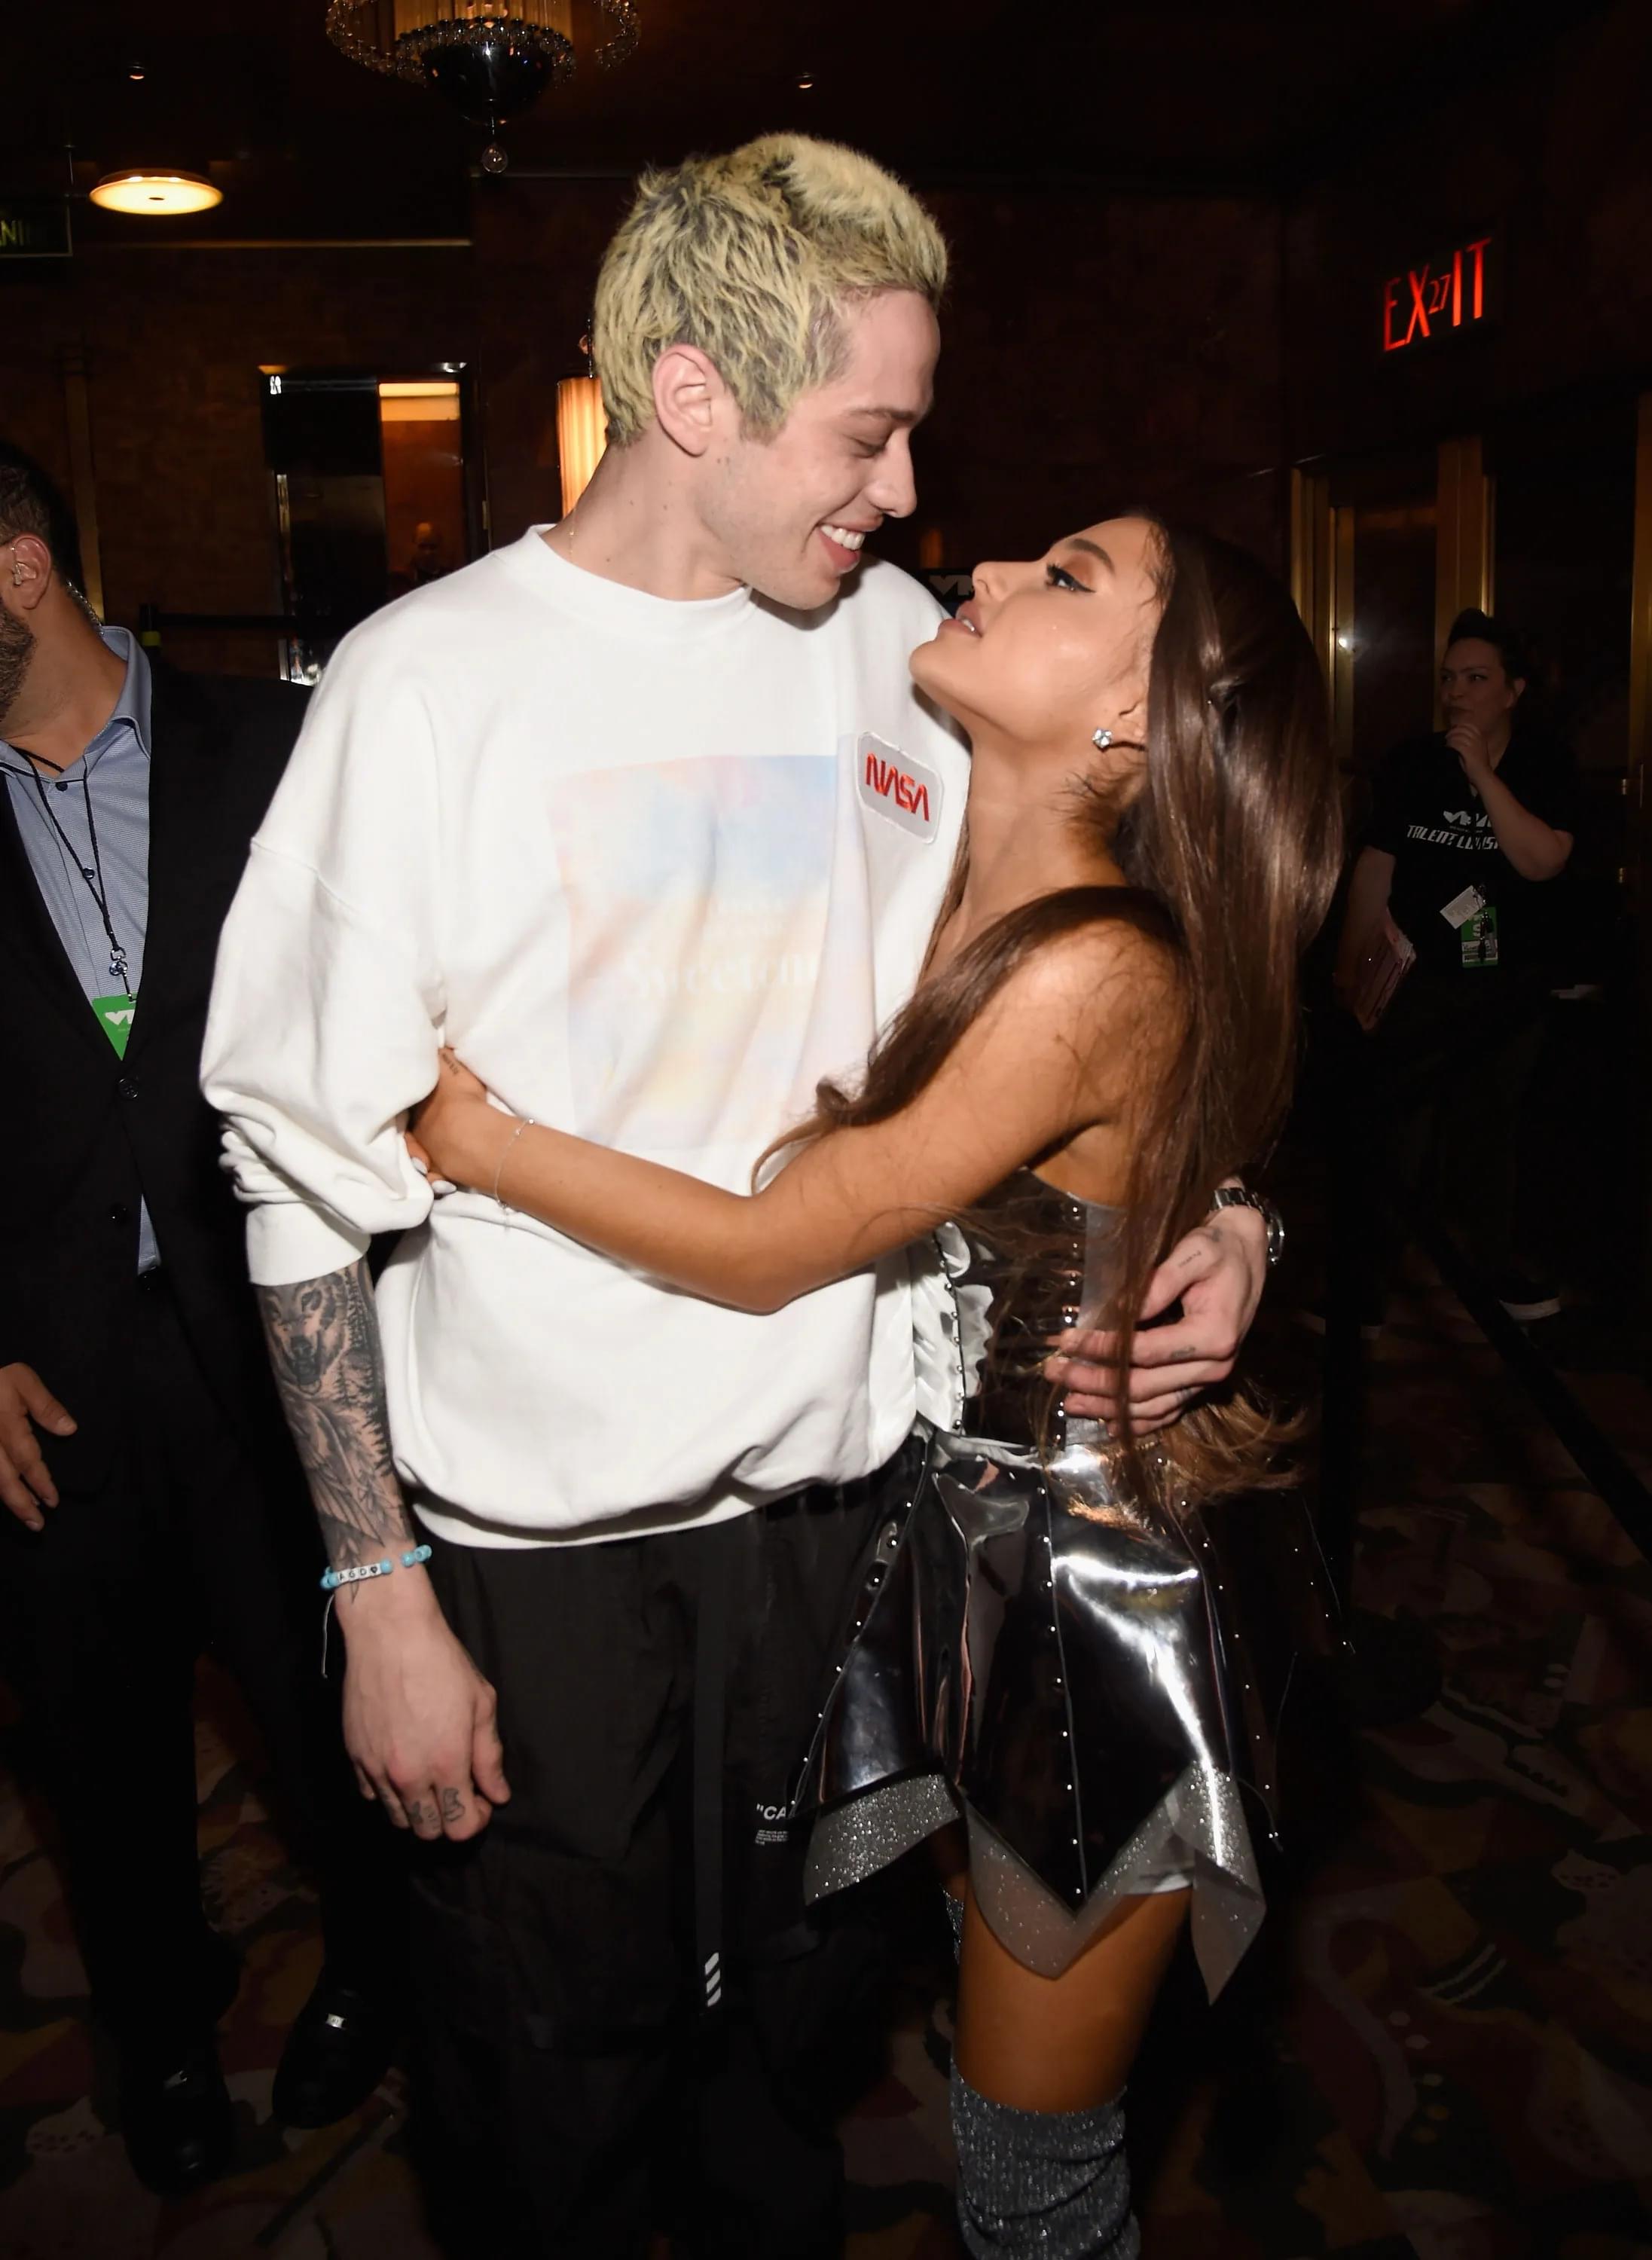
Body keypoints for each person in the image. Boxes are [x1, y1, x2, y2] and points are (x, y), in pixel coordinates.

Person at [200, 138, 1277, 2257]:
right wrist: (378, 1593)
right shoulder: (429, 682)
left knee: (789, 2076)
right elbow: (300, 1176)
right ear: (695, 397)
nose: (904, 490)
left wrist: (1228, 1207)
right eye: (867, 433)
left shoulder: (899, 648)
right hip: (547, 1565)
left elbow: (1136, 943)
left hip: (850, 1547)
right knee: (555, 2099)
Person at [407, 509, 1341, 2258]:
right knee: (960, 2029)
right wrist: (1230, 1203)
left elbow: (779, 1243)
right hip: (949, 1543)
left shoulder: (1086, 961)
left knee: (1032, 2178)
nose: (983, 571)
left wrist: (476, 1139)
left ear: (1134, 717)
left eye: (1065, 579)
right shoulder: (934, 847)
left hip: (1087, 1603)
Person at [0, 444, 402, 2195]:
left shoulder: (287, 744)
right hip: (44, 1381)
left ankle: (378, 1966)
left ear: (20, 572)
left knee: (327, 1714)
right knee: (93, 1747)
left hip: (278, 1348)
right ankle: (162, 2029)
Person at [1334, 607, 1577, 1322]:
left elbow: (1541, 861)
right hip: (1419, 974)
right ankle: (1367, 1290)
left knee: (1491, 1131)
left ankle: (1489, 1275)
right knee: (1397, 1130)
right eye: (1448, 679)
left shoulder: (1544, 763)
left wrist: (1480, 774)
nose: (1456, 694)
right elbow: (1377, 865)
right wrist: (1351, 968)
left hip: (1506, 981)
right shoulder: (1413, 762)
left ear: (1513, 690)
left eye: (1475, 679)